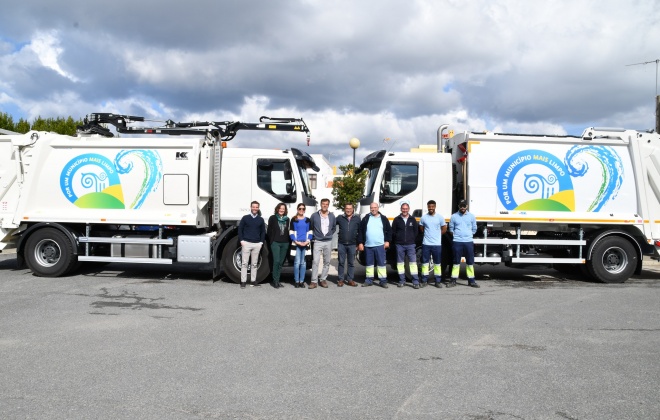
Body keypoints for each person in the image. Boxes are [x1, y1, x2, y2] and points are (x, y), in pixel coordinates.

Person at [358, 202, 392, 288]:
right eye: (371, 208)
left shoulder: (383, 218)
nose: (373, 209)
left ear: (378, 208)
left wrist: (387, 241)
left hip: (380, 245)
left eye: (375, 207)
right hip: (368, 246)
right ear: (370, 209)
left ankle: (383, 281)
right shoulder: (366, 218)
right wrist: (360, 243)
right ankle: (369, 280)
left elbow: (389, 231)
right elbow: (361, 231)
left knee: (381, 264)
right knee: (369, 264)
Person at [448, 199, 479, 288]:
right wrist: (457, 236)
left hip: (468, 242)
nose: (462, 207)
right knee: (456, 262)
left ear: (467, 206)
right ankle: (453, 280)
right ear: (459, 206)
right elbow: (451, 228)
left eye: (464, 205)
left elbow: (474, 228)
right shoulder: (454, 216)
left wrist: (468, 235)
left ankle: (471, 281)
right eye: (461, 205)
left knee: (469, 262)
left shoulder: (471, 216)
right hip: (457, 241)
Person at [309, 198, 336, 289]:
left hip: (328, 241)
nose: (325, 205)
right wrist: (315, 236)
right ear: (321, 205)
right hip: (318, 241)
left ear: (328, 205)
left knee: (327, 262)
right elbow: (311, 226)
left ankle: (323, 279)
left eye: (326, 204)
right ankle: (314, 281)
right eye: (323, 204)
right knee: (316, 261)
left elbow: (333, 228)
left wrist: (328, 235)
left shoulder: (332, 216)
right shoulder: (314, 215)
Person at [238, 200, 266, 289]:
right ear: (251, 207)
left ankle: (253, 281)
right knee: (244, 263)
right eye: (253, 207)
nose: (255, 208)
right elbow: (240, 229)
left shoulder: (261, 219)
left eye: (256, 207)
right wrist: (242, 240)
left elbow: (263, 232)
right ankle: (243, 281)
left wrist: (261, 242)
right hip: (246, 243)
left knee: (254, 264)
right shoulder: (245, 218)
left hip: (257, 244)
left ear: (258, 208)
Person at [419, 199, 447, 288]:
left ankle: (437, 281)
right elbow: (421, 227)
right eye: (429, 206)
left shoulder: (440, 217)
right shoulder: (424, 217)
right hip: (426, 244)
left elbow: (444, 228)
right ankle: (424, 280)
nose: (431, 208)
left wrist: (438, 235)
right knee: (425, 263)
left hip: (436, 244)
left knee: (437, 263)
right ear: (427, 207)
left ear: (435, 207)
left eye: (432, 206)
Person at [392, 202, 420, 288]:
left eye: (406, 209)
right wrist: (397, 239)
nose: (404, 210)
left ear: (408, 209)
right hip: (399, 245)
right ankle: (402, 281)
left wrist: (411, 239)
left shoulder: (412, 219)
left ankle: (415, 281)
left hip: (410, 244)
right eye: (403, 209)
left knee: (413, 263)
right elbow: (393, 231)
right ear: (401, 209)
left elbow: (416, 231)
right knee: (400, 263)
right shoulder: (396, 219)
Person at [336, 203, 360, 287]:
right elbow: (331, 225)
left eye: (350, 208)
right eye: (347, 208)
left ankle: (350, 279)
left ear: (353, 209)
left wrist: (359, 243)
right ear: (344, 209)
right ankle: (340, 279)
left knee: (351, 263)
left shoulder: (357, 218)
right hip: (341, 244)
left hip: (352, 244)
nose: (348, 210)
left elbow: (360, 232)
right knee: (341, 262)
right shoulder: (340, 218)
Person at [267, 202, 290, 289]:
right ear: (277, 209)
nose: (281, 210)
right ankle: (275, 280)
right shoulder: (272, 218)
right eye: (280, 208)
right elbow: (269, 231)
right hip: (275, 242)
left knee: (281, 262)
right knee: (276, 261)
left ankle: (278, 280)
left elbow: (287, 230)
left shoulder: (287, 219)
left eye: (283, 209)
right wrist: (271, 241)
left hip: (285, 243)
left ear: (285, 210)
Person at [289, 203, 312, 288]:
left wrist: (307, 241)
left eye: (303, 209)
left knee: (303, 263)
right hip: (296, 244)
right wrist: (296, 241)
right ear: (297, 209)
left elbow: (310, 232)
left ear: (305, 210)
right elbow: (291, 232)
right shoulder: (294, 220)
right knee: (297, 263)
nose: (301, 210)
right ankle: (296, 281)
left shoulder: (307, 220)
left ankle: (302, 281)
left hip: (305, 244)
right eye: (300, 208)